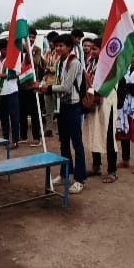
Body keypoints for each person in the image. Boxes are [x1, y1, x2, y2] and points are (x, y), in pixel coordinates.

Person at [36, 33, 87, 194]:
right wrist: (44, 85)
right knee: (63, 143)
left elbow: (65, 87)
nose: (57, 48)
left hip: (74, 106)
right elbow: (58, 83)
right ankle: (65, 174)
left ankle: (80, 179)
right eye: (56, 45)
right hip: (64, 106)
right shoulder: (60, 62)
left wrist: (48, 88)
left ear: (69, 47)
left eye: (61, 46)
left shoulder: (74, 63)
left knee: (77, 144)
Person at [83, 38, 119, 182]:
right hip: (93, 99)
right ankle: (96, 166)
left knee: (108, 135)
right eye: (91, 49)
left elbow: (109, 84)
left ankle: (112, 171)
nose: (92, 51)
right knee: (93, 131)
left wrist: (94, 91)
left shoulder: (110, 65)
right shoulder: (91, 62)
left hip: (106, 101)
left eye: (95, 49)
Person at [0, 38, 20, 149]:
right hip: (0, 92)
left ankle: (15, 141)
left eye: (7, 49)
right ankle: (5, 139)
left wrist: (2, 75)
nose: (6, 51)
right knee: (3, 117)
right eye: (4, 49)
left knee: (14, 117)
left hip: (11, 91)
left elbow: (17, 74)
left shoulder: (12, 59)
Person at [18, 28, 44, 147]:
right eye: (29, 37)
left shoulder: (37, 50)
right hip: (20, 85)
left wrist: (29, 51)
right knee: (22, 113)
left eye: (33, 37)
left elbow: (35, 62)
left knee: (34, 113)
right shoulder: (19, 49)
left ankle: (36, 138)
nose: (31, 39)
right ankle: (23, 136)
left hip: (32, 85)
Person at [42, 31, 60, 137]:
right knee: (48, 108)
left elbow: (56, 69)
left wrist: (48, 69)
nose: (50, 43)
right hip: (47, 83)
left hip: (57, 84)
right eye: (49, 41)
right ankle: (49, 129)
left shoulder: (59, 53)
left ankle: (61, 129)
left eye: (52, 42)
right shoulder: (48, 53)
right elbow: (43, 65)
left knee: (59, 109)